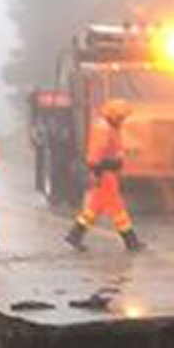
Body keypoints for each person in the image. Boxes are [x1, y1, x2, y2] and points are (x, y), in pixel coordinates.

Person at [65, 99, 144, 252]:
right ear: (113, 115)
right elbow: (95, 155)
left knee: (93, 209)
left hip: (106, 173)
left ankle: (74, 236)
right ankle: (131, 241)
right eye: (121, 117)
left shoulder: (111, 128)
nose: (123, 120)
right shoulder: (105, 129)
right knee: (117, 209)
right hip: (104, 174)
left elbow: (113, 150)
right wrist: (99, 171)